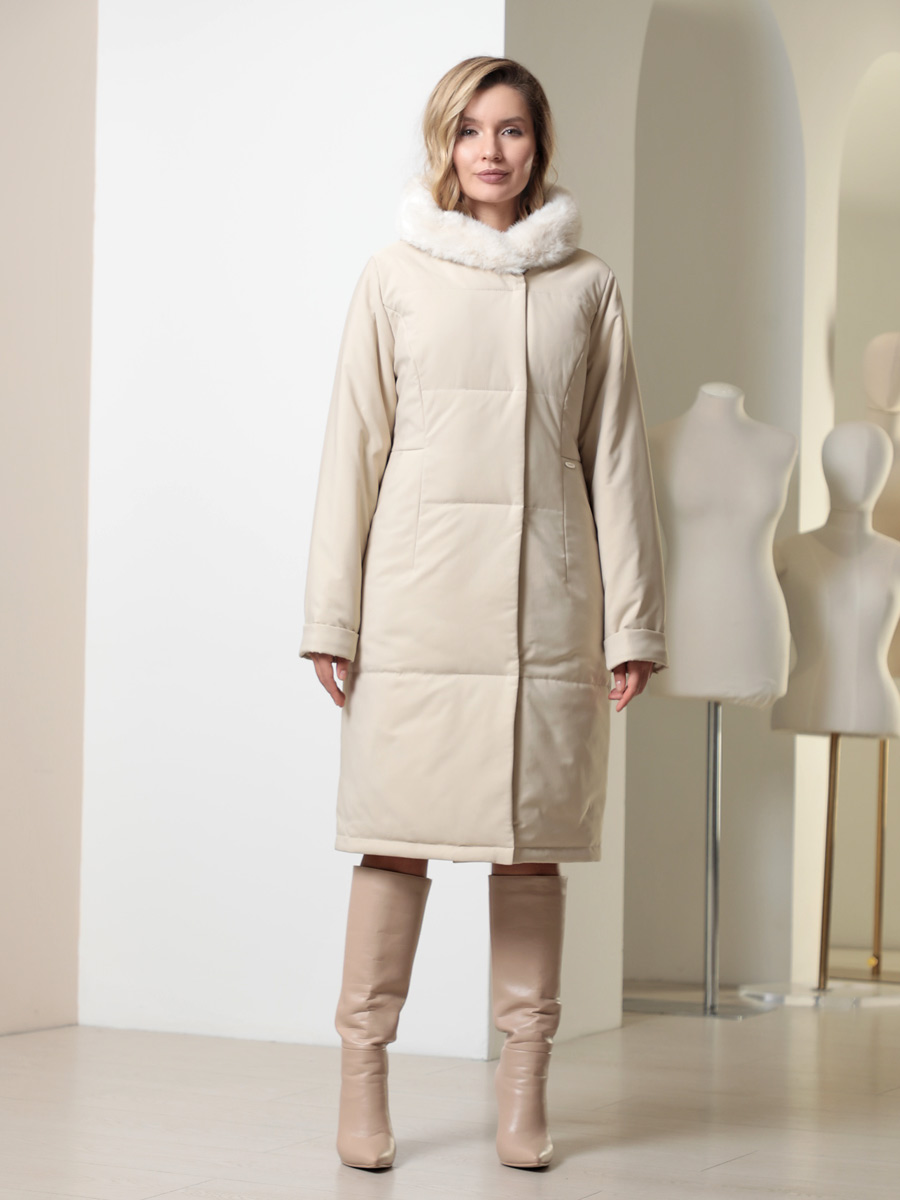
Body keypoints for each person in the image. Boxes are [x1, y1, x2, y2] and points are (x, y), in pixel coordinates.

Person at [299, 56, 667, 1172]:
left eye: (511, 129)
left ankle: (523, 1093)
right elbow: (352, 448)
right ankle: (363, 1080)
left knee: (529, 850)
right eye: (470, 130)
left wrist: (633, 623)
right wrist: (331, 617)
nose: (491, 151)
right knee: (394, 841)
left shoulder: (587, 285)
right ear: (444, 144)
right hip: (417, 606)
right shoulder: (395, 275)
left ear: (538, 144)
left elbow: (617, 460)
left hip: (543, 608)